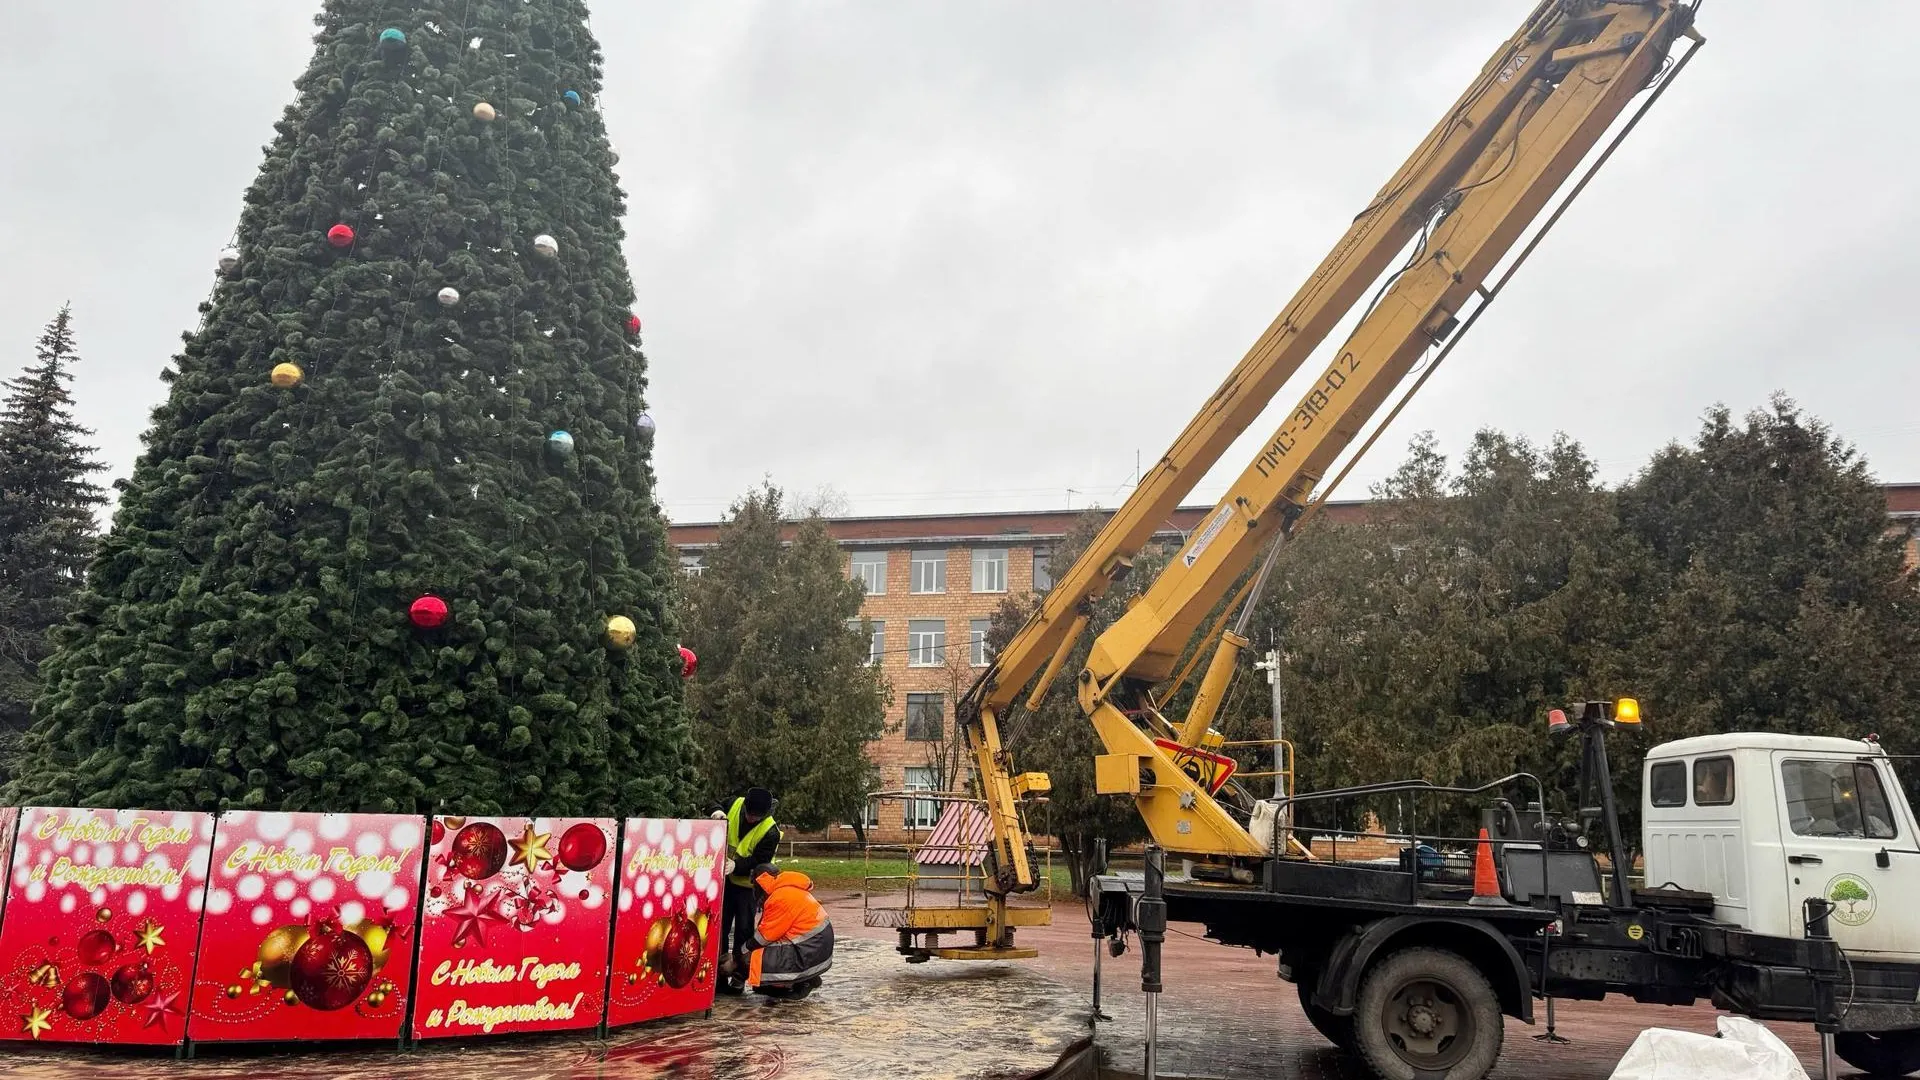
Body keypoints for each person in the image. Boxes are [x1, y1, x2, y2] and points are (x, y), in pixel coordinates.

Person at [714, 787, 780, 994]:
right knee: (720, 929)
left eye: (756, 816)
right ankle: (717, 975)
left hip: (747, 888)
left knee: (743, 931)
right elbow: (714, 801)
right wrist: (716, 811)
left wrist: (737, 866)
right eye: (749, 814)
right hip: (724, 883)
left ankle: (739, 976)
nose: (751, 819)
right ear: (744, 808)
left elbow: (760, 861)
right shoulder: (735, 804)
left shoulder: (771, 831)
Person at [738, 863, 833, 998]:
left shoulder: (779, 897)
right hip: (816, 945)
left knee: (753, 958)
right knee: (763, 953)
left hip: (809, 948)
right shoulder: (787, 889)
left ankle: (802, 982)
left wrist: (741, 953)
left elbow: (764, 937)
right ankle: (806, 978)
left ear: (761, 883)